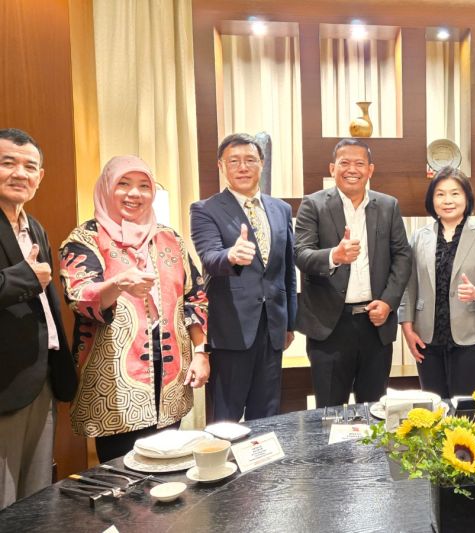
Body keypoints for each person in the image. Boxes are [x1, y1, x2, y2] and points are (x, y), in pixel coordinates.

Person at [60, 155, 208, 462]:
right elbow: (79, 297)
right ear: (106, 188)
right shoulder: (86, 239)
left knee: (169, 465)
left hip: (171, 378)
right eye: (123, 184)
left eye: (144, 186)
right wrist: (117, 285)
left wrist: (201, 352)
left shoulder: (169, 238)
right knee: (122, 473)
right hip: (114, 384)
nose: (134, 194)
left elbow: (195, 297)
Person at [294, 138, 411, 407]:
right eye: (344, 163)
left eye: (359, 163)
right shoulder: (313, 205)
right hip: (330, 327)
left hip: (376, 323)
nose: (352, 169)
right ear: (332, 168)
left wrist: (388, 302)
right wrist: (334, 256)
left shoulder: (388, 206)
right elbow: (301, 254)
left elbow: (403, 257)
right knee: (329, 411)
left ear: (370, 170)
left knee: (375, 410)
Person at [190, 133, 296, 422]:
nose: (243, 167)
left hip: (273, 328)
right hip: (231, 329)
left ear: (262, 164)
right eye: (234, 161)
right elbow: (210, 258)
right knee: (226, 418)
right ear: (221, 166)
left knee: (267, 415)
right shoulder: (205, 209)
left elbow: (287, 270)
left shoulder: (281, 209)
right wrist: (231, 256)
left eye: (250, 160)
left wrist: (290, 323)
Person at [0, 128, 77, 509]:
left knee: (35, 494)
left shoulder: (35, 227)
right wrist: (24, 279)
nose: (20, 173)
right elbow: (28, 282)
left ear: (40, 176)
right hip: (5, 382)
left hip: (40, 376)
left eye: (30, 167)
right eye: (7, 163)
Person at [398, 167, 475, 398]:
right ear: (431, 199)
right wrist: (407, 327)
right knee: (433, 407)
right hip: (427, 339)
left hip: (471, 338)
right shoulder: (419, 237)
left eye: (455, 193)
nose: (448, 200)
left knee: (465, 409)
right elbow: (409, 286)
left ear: (467, 197)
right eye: (440, 194)